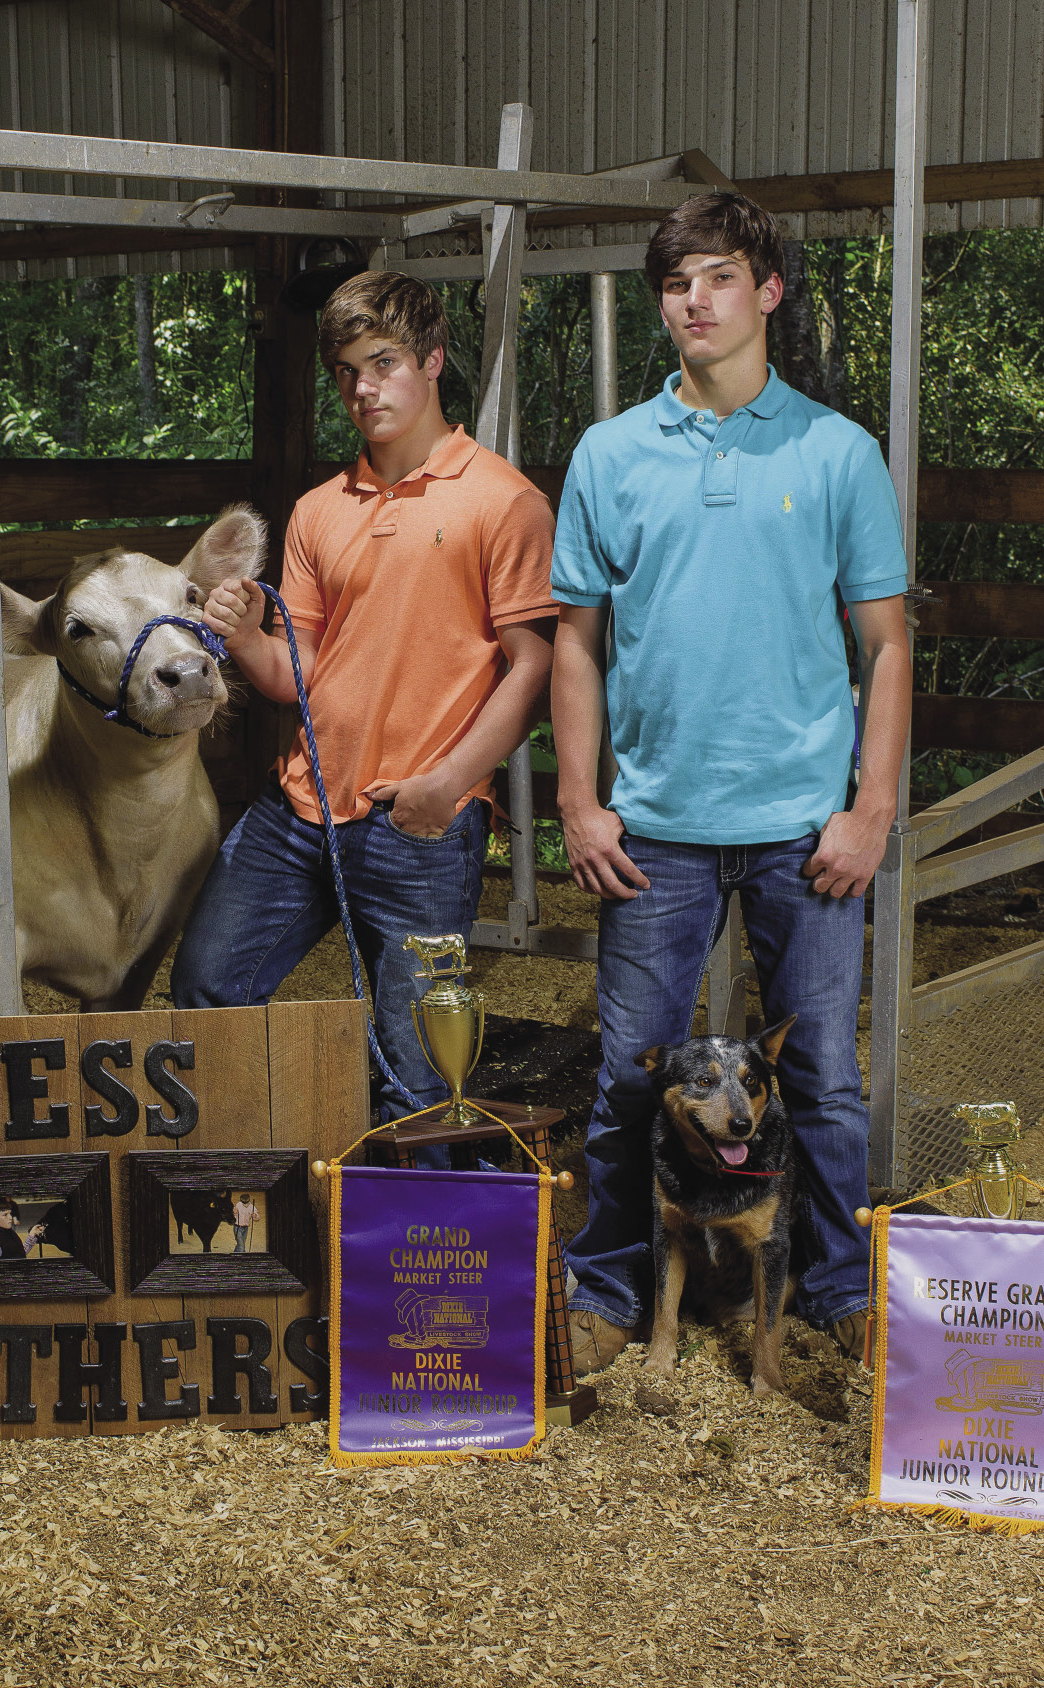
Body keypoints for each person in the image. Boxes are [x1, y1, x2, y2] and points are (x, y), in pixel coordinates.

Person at [549, 192, 912, 1371]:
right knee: (622, 1074)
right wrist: (575, 798)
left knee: (821, 1079)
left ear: (766, 291)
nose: (691, 302)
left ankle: (838, 1291)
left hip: (803, 824)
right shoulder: (609, 454)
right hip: (651, 825)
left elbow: (886, 642)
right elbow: (573, 641)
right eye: (673, 284)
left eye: (715, 278)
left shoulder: (835, 450)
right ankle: (601, 1296)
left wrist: (868, 808)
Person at [172, 271, 557, 1146]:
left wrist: (452, 785)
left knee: (416, 1069)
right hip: (298, 809)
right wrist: (237, 635)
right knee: (205, 988)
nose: (363, 389)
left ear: (432, 361)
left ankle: (419, 1262)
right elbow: (294, 672)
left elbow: (531, 666)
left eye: (382, 363)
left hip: (417, 821)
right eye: (346, 371)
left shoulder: (503, 501)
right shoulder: (317, 510)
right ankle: (242, 1204)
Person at [0, 1196, 45, 1262]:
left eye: (10, 1213)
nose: (10, 1217)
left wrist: (32, 1234)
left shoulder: (9, 1232)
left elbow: (19, 1253)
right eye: (5, 1215)